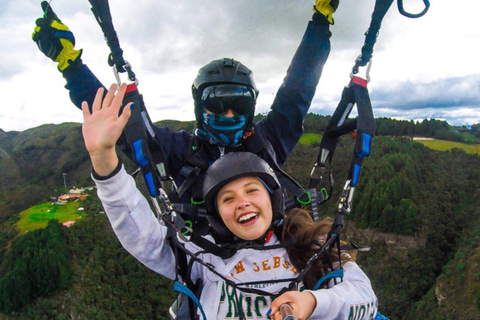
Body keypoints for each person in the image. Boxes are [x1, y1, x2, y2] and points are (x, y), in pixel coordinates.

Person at [81, 83, 378, 320]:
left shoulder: (312, 244)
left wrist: (313, 302)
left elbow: (364, 300)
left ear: (273, 198)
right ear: (217, 214)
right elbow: (141, 234)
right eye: (228, 198)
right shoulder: (201, 256)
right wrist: (103, 159)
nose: (242, 203)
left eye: (252, 190)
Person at [32, 0, 338, 204]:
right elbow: (121, 123)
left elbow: (299, 86)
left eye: (240, 106)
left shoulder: (268, 139)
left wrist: (320, 24)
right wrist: (71, 67)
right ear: (199, 108)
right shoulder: (180, 151)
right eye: (217, 104)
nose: (229, 114)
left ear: (252, 108)